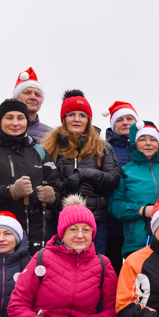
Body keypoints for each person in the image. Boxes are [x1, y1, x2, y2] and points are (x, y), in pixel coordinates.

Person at [0, 99, 60, 253]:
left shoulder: (40, 152)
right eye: (9, 118)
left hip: (34, 240)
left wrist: (53, 196)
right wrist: (10, 191)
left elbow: (57, 186)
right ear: (0, 121)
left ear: (27, 122)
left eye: (20, 118)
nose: (15, 123)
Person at [40, 90, 121, 252]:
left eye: (82, 115)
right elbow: (44, 178)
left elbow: (113, 178)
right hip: (57, 218)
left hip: (93, 221)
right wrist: (68, 188)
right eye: (71, 114)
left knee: (93, 270)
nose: (77, 119)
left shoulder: (103, 147)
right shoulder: (48, 147)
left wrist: (83, 175)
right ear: (64, 118)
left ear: (89, 120)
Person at [0, 67, 52, 168]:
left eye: (38, 94)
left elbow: (53, 169)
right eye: (27, 92)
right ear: (16, 96)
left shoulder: (49, 133)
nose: (33, 97)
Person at [108, 121, 159, 258]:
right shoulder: (124, 172)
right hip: (137, 243)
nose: (148, 143)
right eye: (142, 139)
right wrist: (142, 210)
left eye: (153, 139)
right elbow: (115, 206)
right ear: (134, 144)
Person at [101, 100, 141, 274]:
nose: (125, 122)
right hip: (112, 222)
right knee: (113, 271)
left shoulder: (147, 144)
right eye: (120, 120)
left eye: (129, 118)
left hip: (140, 222)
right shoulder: (103, 148)